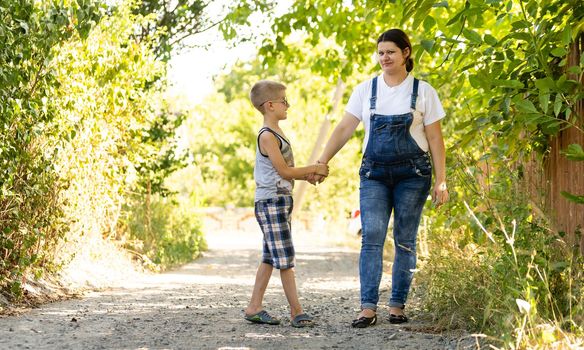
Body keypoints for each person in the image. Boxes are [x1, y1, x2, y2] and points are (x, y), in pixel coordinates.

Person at [311, 28, 449, 327]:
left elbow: (436, 139)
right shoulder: (366, 89)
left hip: (413, 175)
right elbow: (344, 128)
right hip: (374, 173)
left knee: (405, 240)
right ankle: (368, 307)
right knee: (371, 236)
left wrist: (441, 180)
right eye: (381, 52)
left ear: (406, 54)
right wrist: (323, 160)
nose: (384, 57)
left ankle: (397, 305)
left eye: (391, 52)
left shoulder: (423, 91)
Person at [244, 80, 328, 328]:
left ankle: (254, 307)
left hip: (279, 201)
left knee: (270, 256)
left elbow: (286, 171)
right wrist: (313, 168)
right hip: (271, 202)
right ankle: (296, 311)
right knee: (286, 259)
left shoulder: (278, 133)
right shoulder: (268, 136)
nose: (287, 105)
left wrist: (308, 176)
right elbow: (284, 171)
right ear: (270, 105)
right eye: (283, 101)